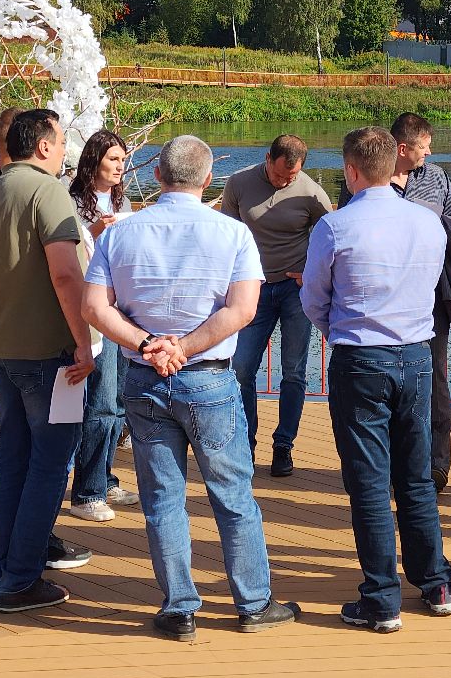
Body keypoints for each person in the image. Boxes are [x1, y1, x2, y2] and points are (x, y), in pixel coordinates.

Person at [82, 135, 300, 641]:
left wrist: (150, 343)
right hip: (208, 380)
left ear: (157, 177)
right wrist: (186, 346)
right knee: (233, 494)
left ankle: (179, 607)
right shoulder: (234, 234)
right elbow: (242, 309)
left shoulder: (120, 233)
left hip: (145, 377)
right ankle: (252, 602)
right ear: (209, 181)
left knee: (162, 499)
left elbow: (96, 307)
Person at [304, 126, 451, 633]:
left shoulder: (335, 226)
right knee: (415, 477)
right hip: (416, 355)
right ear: (397, 166)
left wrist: (342, 329)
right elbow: (431, 283)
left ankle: (381, 597)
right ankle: (435, 583)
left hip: (360, 357)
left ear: (350, 170)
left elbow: (313, 300)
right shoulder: (428, 224)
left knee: (369, 483)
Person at [0, 109, 96, 614]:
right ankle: (19, 580)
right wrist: (83, 341)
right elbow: (64, 275)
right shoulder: (48, 191)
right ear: (42, 146)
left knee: (12, 461)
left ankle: (1, 573)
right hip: (48, 353)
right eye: (61, 141)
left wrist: (0, 299)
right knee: (51, 464)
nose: (64, 151)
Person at [336, 112, 451, 492]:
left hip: (430, 295)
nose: (429, 152)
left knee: (433, 378)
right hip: (378, 299)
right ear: (402, 148)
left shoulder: (435, 178)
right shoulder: (363, 180)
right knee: (382, 382)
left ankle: (436, 465)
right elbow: (349, 226)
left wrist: (436, 227)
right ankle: (388, 465)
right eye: (424, 145)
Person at [222, 134, 333, 476]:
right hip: (253, 288)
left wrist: (310, 272)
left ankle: (284, 445)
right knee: (240, 368)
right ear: (268, 158)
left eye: (291, 176)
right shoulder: (239, 183)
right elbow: (227, 234)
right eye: (280, 175)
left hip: (294, 291)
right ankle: (247, 444)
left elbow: (334, 234)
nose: (285, 181)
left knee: (294, 371)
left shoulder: (311, 192)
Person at [64, 130, 140, 521]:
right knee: (103, 399)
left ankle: (105, 476)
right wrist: (93, 231)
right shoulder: (72, 200)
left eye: (122, 160)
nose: (119, 167)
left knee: (120, 399)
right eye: (113, 159)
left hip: (122, 306)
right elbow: (69, 255)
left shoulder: (122, 199)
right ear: (94, 160)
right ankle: (87, 492)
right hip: (95, 307)